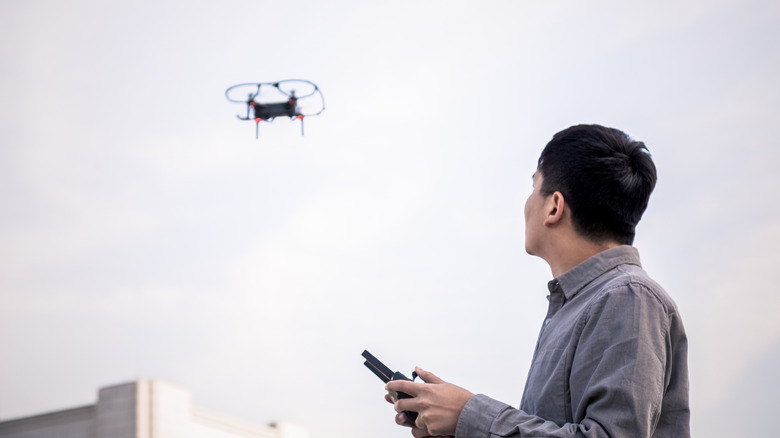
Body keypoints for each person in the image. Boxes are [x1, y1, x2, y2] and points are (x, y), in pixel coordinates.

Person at [385, 124, 690, 437]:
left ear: (554, 206)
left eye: (534, 187)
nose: (527, 202)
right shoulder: (579, 306)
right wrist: (454, 429)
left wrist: (470, 414)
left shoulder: (629, 298)